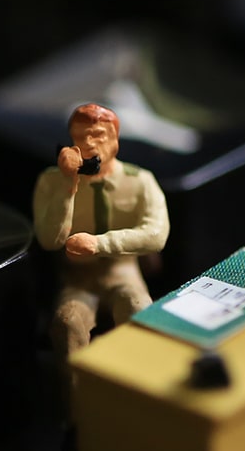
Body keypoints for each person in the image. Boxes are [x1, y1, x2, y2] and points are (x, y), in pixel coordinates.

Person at [33, 103, 169, 357]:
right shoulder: (50, 182)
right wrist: (67, 187)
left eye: (98, 136)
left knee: (140, 312)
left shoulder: (140, 181)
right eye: (80, 137)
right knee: (67, 322)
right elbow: (50, 240)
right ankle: (75, 389)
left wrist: (99, 244)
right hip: (78, 276)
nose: (89, 144)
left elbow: (156, 234)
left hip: (123, 270)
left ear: (115, 140)